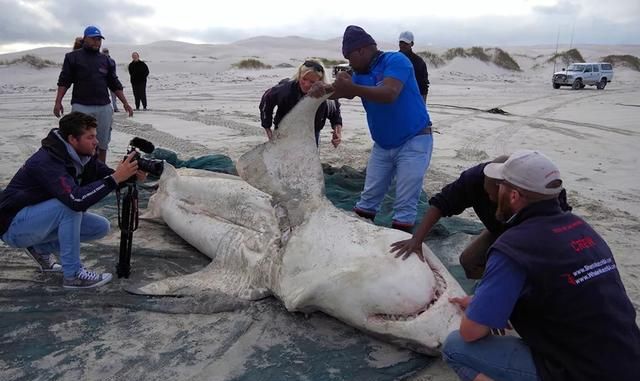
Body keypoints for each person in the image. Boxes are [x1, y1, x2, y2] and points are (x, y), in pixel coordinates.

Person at [442, 150, 640, 381]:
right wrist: (483, 302)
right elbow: (566, 292)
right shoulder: (582, 229)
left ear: (513, 195)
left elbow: (470, 332)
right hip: (629, 359)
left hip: (582, 371)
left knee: (455, 347)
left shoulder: (514, 246)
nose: (495, 193)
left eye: (501, 186)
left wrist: (482, 314)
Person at [310, 25, 433, 233]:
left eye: (349, 57)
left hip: (414, 140)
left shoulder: (396, 61)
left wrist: (352, 88)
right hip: (383, 145)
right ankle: (361, 241)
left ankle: (399, 253)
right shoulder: (360, 72)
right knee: (367, 200)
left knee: (404, 205)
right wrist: (320, 91)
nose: (349, 63)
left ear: (361, 50)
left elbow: (389, 92)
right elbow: (340, 92)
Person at [0, 112, 143, 289]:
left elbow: (107, 176)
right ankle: (73, 275)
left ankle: (39, 248)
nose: (96, 142)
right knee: (69, 207)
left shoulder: (82, 156)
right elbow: (77, 200)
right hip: (12, 226)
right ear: (72, 139)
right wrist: (115, 179)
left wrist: (129, 174)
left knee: (100, 227)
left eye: (95, 136)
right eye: (90, 137)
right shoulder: (47, 161)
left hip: (35, 222)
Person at [389, 155, 571, 279]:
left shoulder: (540, 189)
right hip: (498, 229)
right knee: (469, 261)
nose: (489, 199)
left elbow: (559, 229)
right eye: (486, 194)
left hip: (536, 237)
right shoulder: (474, 179)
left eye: (494, 197)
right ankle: (489, 288)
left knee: (529, 275)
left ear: (512, 192)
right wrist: (417, 239)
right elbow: (440, 204)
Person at [54, 26, 134, 163]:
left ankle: (100, 168)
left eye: (99, 39)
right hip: (81, 106)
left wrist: (125, 103)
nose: (97, 42)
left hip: (104, 107)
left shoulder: (106, 60)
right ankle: (81, 169)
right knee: (81, 142)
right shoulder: (72, 57)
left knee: (102, 142)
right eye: (93, 39)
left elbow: (114, 83)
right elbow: (64, 80)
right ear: (85, 39)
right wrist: (58, 102)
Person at [259, 59, 343, 147]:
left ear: (320, 81)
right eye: (304, 79)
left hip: (311, 133)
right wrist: (268, 129)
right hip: (284, 132)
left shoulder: (326, 95)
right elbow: (266, 99)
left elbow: (335, 113)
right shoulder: (285, 90)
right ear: (299, 75)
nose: (306, 84)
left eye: (312, 82)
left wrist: (337, 132)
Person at [398, 31, 429, 102]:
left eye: (406, 43)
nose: (402, 45)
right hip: (396, 99)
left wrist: (422, 105)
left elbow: (424, 86)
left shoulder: (419, 62)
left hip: (412, 99)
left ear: (412, 44)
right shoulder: (393, 59)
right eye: (401, 42)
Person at [101, 48, 120, 112]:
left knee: (113, 95)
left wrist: (115, 78)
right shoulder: (100, 60)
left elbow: (113, 71)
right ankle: (107, 107)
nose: (105, 53)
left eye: (106, 52)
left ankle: (115, 107)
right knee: (104, 94)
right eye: (104, 52)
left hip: (111, 79)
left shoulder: (111, 60)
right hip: (103, 80)